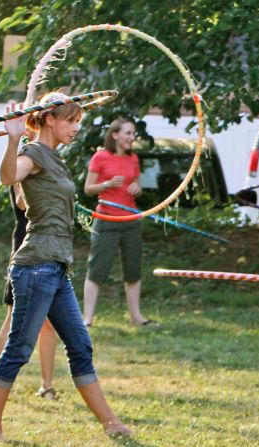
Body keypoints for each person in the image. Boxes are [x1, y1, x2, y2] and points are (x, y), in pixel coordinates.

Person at [0, 92, 131, 440]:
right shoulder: (32, 153)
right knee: (19, 349)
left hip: (57, 266)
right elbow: (8, 177)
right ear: (50, 119)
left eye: (79, 121)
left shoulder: (53, 158)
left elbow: (25, 197)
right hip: (35, 266)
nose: (77, 128)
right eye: (71, 120)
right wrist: (14, 138)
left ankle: (112, 424)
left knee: (80, 346)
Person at [82, 117, 153, 327]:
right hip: (106, 220)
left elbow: (136, 186)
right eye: (128, 133)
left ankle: (135, 316)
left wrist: (137, 190)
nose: (132, 137)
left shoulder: (133, 159)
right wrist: (107, 184)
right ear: (115, 135)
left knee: (133, 269)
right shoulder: (100, 157)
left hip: (131, 219)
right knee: (97, 269)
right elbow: (88, 188)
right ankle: (87, 319)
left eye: (133, 134)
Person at [0, 184, 59, 400]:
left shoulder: (48, 161)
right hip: (26, 246)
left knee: (48, 323)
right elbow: (22, 201)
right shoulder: (25, 161)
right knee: (13, 317)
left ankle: (47, 387)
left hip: (50, 248)